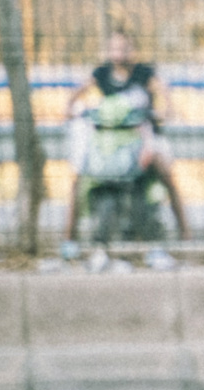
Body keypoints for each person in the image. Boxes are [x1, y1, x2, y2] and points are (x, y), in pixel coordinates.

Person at [62, 31, 189, 245]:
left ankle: (185, 230)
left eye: (124, 47)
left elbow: (163, 91)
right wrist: (69, 108)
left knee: (165, 172)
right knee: (79, 176)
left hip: (144, 139)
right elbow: (78, 92)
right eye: (114, 47)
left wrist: (166, 110)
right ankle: (69, 238)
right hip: (111, 140)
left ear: (133, 50)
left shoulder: (144, 73)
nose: (119, 53)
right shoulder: (102, 73)